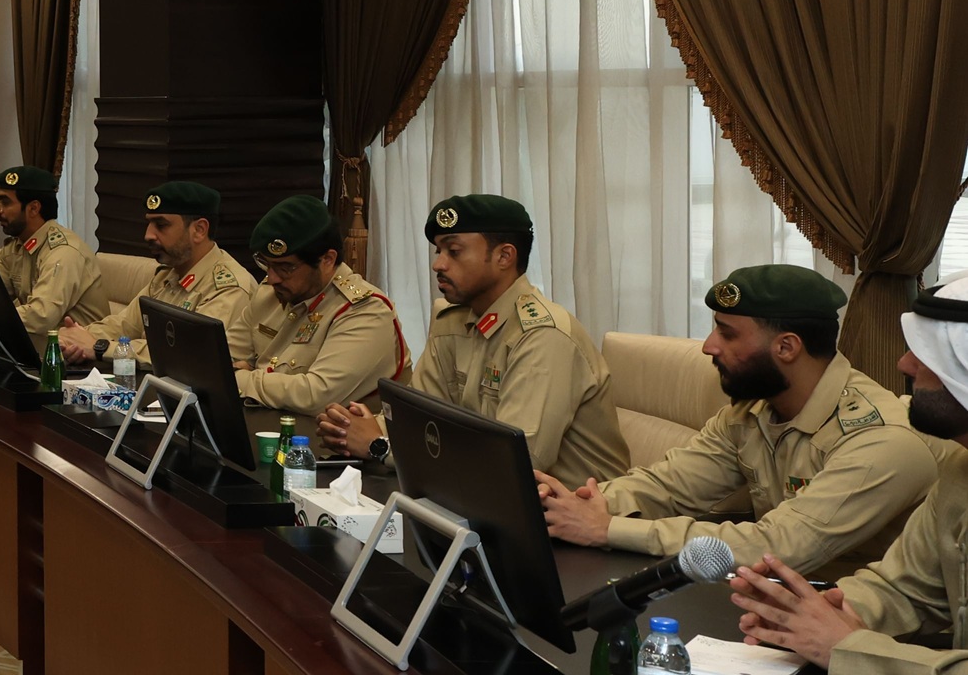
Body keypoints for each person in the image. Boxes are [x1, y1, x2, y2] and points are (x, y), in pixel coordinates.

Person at [538, 265, 938, 571]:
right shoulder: (751, 411)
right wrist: (573, 507)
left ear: (786, 347)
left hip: (865, 627)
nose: (708, 347)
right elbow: (668, 486)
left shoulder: (879, 439)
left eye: (727, 334)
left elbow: (781, 546)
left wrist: (607, 528)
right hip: (775, 602)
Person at [730, 273, 968, 675]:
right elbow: (904, 588)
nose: (904, 366)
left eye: (925, 354)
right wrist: (816, 615)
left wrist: (847, 647)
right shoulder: (960, 469)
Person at [315, 195, 629, 483]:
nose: (438, 264)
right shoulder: (453, 321)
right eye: (438, 251)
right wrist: (358, 428)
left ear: (504, 256)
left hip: (571, 513)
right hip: (477, 498)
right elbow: (420, 418)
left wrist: (380, 446)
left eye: (454, 251)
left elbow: (511, 466)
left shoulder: (542, 336)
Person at [233, 195, 406, 414]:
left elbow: (315, 396)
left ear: (327, 260)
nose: (273, 277)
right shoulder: (269, 294)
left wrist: (241, 378)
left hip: (330, 435)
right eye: (266, 264)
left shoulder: (366, 311)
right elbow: (221, 358)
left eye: (285, 268)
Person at [62, 181, 258, 369]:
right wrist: (73, 338)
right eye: (149, 223)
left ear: (199, 230)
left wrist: (100, 347)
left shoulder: (229, 287)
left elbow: (185, 353)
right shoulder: (168, 275)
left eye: (161, 225)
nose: (148, 235)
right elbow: (125, 325)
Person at [0, 166, 103, 335]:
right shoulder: (15, 246)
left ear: (33, 208)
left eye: (5, 202)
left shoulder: (63, 252)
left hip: (73, 348)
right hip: (35, 343)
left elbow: (40, 317)